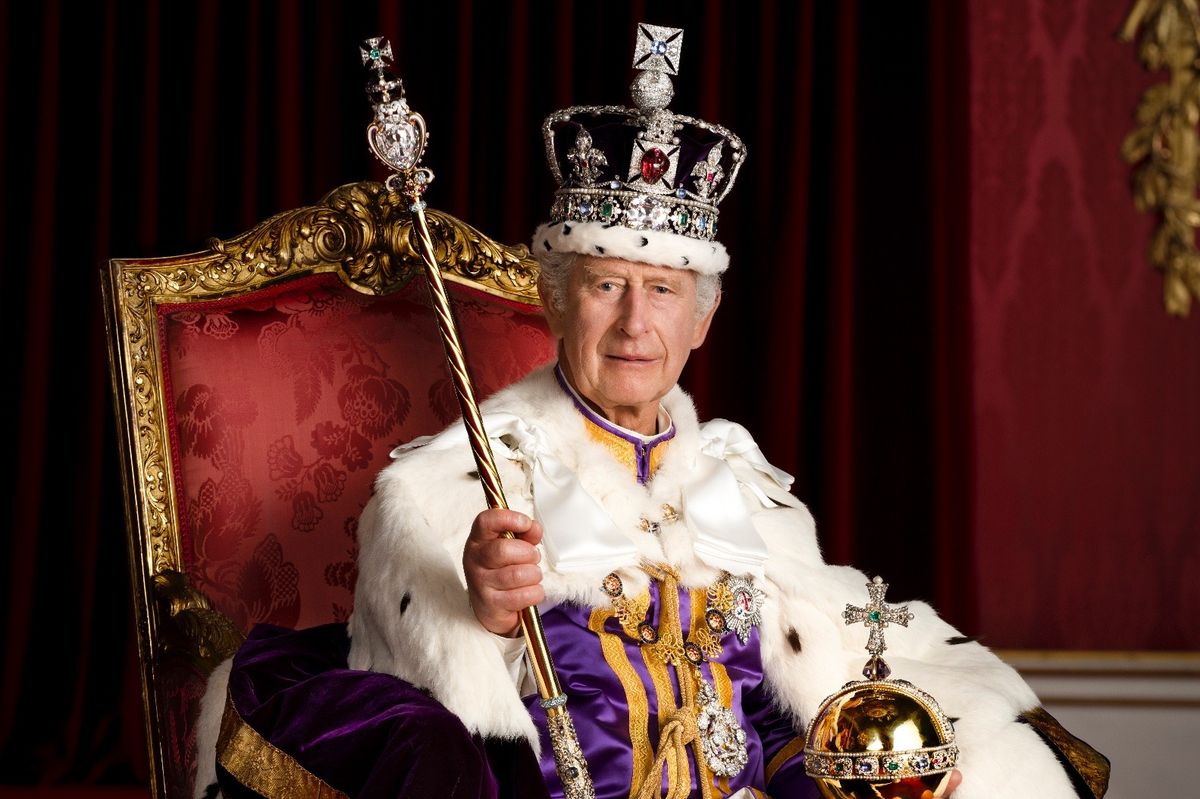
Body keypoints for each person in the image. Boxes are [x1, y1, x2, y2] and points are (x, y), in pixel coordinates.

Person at [197, 23, 1108, 799]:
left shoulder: (746, 491)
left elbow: (801, 693)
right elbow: (418, 697)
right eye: (607, 285)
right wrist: (483, 611)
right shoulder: (454, 487)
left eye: (664, 291)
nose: (636, 323)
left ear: (702, 318)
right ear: (555, 300)